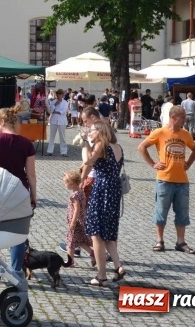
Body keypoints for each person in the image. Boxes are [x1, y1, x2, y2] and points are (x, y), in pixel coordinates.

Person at [0, 106, 37, 275]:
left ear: (3, 122)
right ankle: (16, 269)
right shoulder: (26, 143)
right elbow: (31, 174)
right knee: (18, 231)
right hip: (20, 191)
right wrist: (34, 196)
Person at [137, 106, 195, 254]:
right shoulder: (160, 132)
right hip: (164, 179)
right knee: (161, 211)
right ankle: (160, 240)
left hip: (182, 181)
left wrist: (188, 164)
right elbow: (142, 147)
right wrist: (153, 164)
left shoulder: (185, 134)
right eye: (182, 117)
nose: (185, 119)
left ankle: (180, 241)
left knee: (182, 213)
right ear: (173, 117)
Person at [81, 120, 126, 286]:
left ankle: (101, 276)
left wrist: (85, 143)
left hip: (102, 188)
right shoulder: (117, 147)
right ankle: (118, 267)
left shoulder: (100, 145)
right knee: (108, 234)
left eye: (92, 131)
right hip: (114, 189)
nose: (90, 133)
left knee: (96, 234)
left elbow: (87, 161)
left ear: (100, 132)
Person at [62, 169, 94, 267]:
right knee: (79, 240)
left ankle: (70, 261)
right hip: (82, 220)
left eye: (66, 183)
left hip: (76, 222)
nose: (65, 185)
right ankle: (93, 254)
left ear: (71, 184)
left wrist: (73, 222)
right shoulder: (81, 192)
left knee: (70, 242)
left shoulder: (74, 196)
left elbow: (77, 209)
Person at [47, 89, 69, 156]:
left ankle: (63, 152)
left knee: (62, 137)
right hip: (54, 120)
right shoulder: (53, 102)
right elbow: (50, 111)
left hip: (62, 121)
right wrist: (55, 105)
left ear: (62, 95)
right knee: (52, 136)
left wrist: (55, 111)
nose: (58, 96)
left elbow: (63, 112)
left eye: (60, 94)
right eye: (57, 94)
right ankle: (50, 151)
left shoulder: (65, 102)